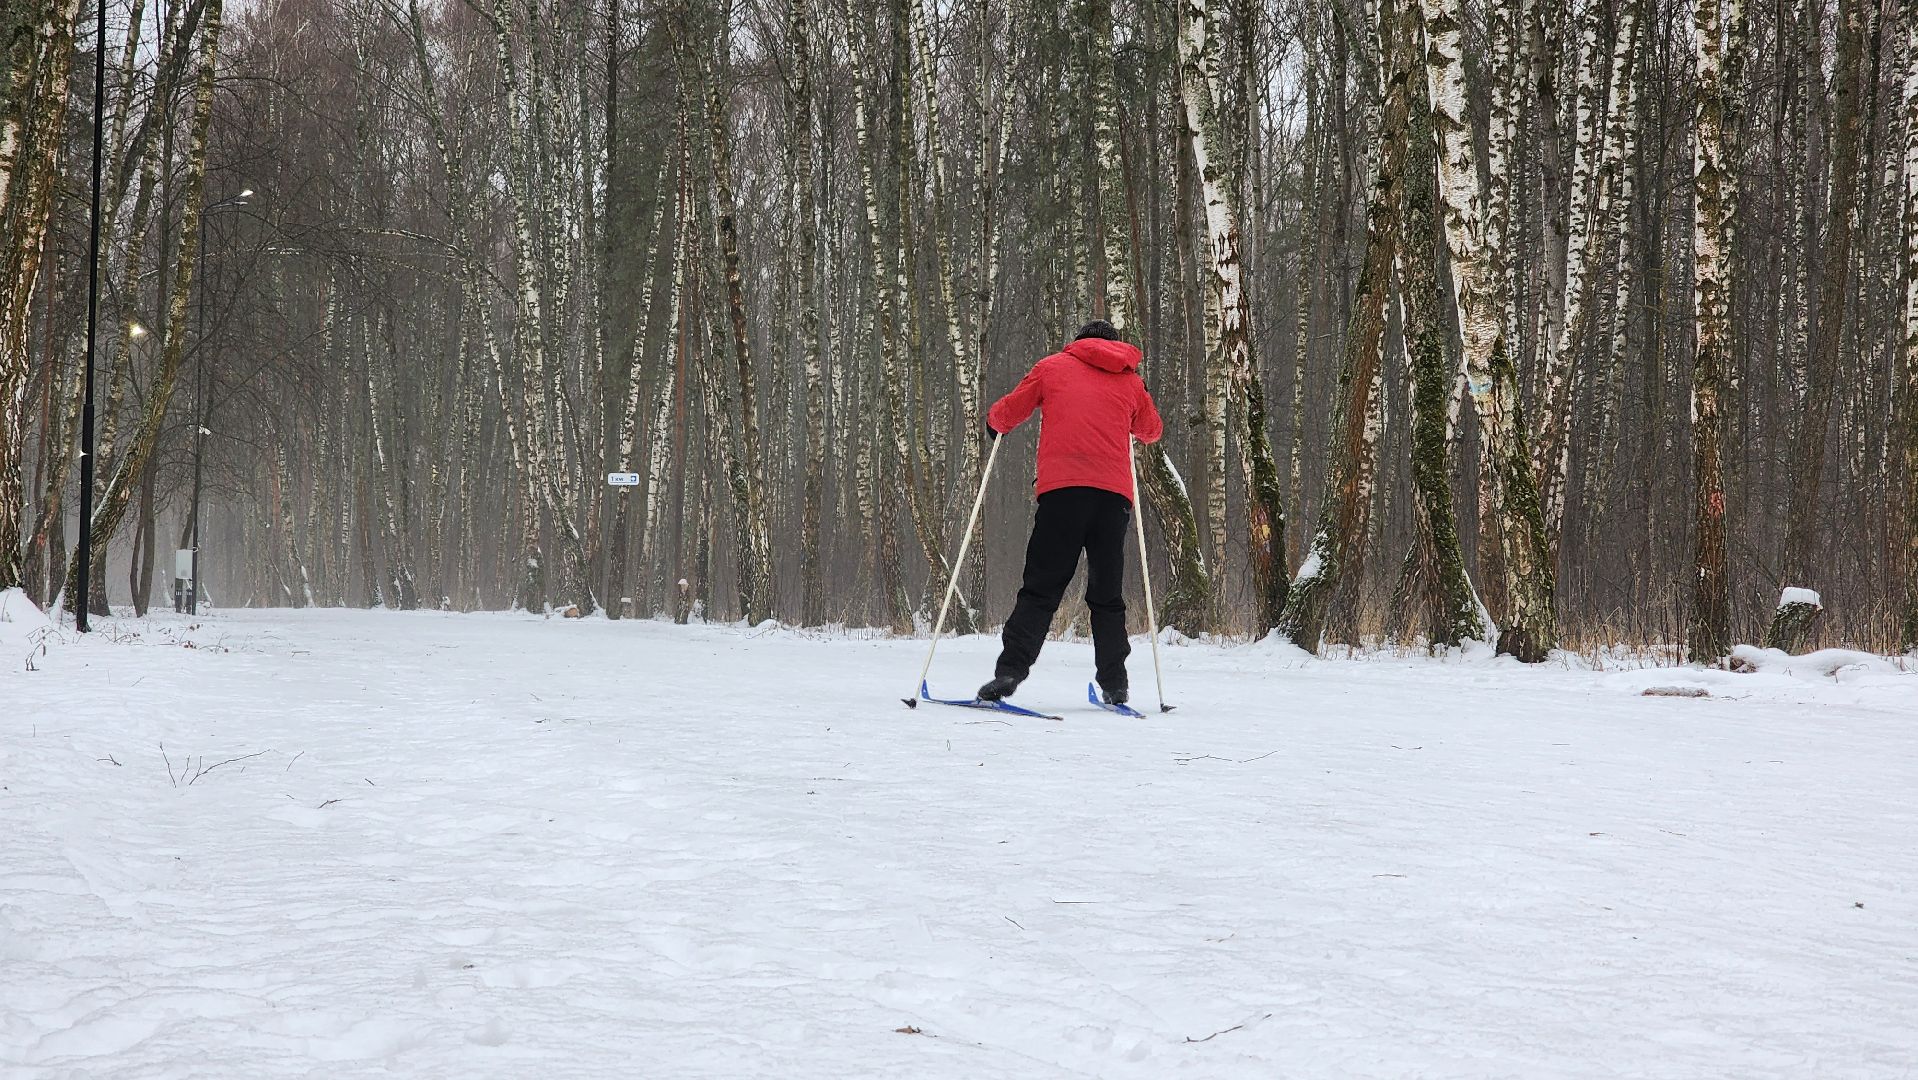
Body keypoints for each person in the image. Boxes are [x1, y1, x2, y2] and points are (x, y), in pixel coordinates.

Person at [978, 320, 1163, 706]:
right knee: (1106, 594)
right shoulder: (1131, 382)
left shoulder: (1052, 367)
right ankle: (1115, 683)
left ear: (1079, 342)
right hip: (1112, 500)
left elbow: (1009, 411)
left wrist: (995, 424)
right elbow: (1151, 430)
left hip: (1062, 493)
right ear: (1115, 345)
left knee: (1041, 586)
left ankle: (1009, 671)